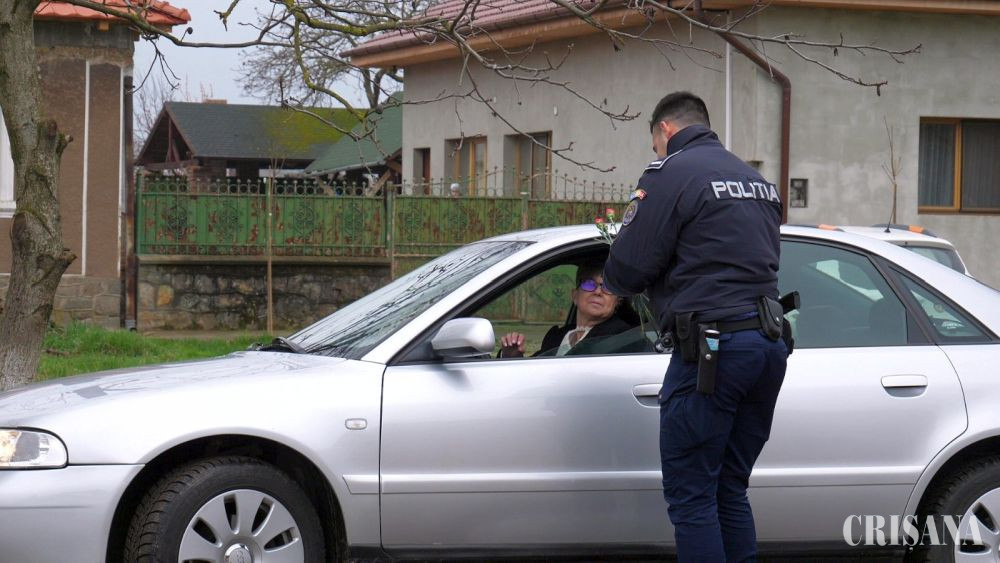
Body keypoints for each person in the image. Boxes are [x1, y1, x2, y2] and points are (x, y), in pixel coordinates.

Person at [603, 91, 788, 562]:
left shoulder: (671, 173)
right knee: (729, 488)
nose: (655, 151)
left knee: (692, 497)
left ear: (665, 130)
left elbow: (626, 270)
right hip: (766, 347)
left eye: (654, 142)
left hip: (712, 354)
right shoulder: (756, 181)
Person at [499, 262, 631, 358]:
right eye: (589, 284)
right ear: (575, 296)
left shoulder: (623, 338)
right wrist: (511, 356)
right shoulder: (557, 337)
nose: (597, 291)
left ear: (617, 302)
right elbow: (533, 373)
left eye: (607, 287)